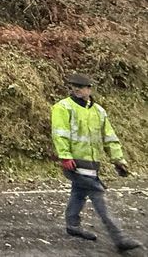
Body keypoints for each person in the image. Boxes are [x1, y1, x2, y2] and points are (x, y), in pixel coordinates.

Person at [51, 73, 142, 251]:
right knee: (98, 194)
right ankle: (119, 237)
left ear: (89, 89)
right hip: (74, 162)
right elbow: (59, 133)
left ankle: (73, 225)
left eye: (81, 86)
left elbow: (109, 137)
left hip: (92, 164)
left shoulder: (99, 111)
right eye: (74, 86)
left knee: (78, 193)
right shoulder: (63, 107)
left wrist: (118, 160)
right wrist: (65, 156)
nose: (76, 89)